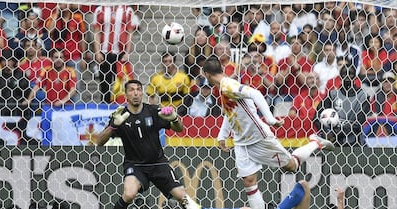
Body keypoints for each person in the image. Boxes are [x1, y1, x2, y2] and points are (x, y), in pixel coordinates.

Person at [202, 57, 334, 209]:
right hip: (242, 141)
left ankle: (315, 142)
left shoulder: (228, 85)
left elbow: (256, 94)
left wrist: (271, 119)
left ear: (206, 74)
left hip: (258, 137)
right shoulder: (223, 87)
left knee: (291, 166)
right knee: (249, 181)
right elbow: (230, 111)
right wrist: (222, 135)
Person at [95, 79, 201, 209]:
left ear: (142, 93)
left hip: (158, 163)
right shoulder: (119, 116)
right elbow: (99, 141)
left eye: (138, 89)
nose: (136, 93)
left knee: (182, 196)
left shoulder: (153, 111)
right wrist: (113, 126)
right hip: (135, 165)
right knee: (129, 194)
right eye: (131, 90)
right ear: (126, 94)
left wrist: (174, 119)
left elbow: (179, 129)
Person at [314, 64, 371, 146]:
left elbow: (357, 124)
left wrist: (333, 134)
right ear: (340, 76)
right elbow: (317, 115)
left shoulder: (363, 97)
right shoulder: (333, 94)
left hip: (354, 144)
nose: (347, 76)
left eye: (350, 73)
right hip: (333, 143)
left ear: (355, 76)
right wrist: (324, 132)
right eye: (344, 74)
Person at [93, 4, 136, 103]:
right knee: (104, 85)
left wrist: (127, 52)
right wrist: (97, 52)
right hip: (104, 53)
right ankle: (105, 108)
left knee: (121, 84)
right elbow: (97, 32)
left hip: (120, 54)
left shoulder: (127, 10)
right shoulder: (100, 10)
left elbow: (130, 32)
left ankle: (120, 108)